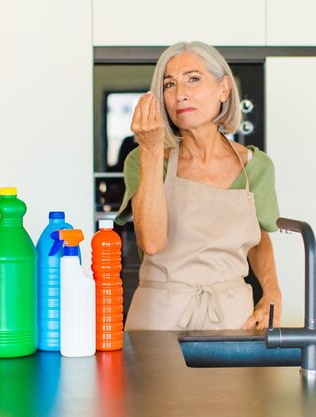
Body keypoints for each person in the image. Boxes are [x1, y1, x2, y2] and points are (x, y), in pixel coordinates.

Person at [115, 41, 282, 331]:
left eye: (193, 79)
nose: (180, 94)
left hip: (231, 318)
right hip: (158, 320)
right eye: (169, 85)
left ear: (223, 89)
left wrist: (272, 293)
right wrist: (151, 149)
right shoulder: (143, 158)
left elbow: (260, 239)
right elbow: (151, 242)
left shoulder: (256, 166)